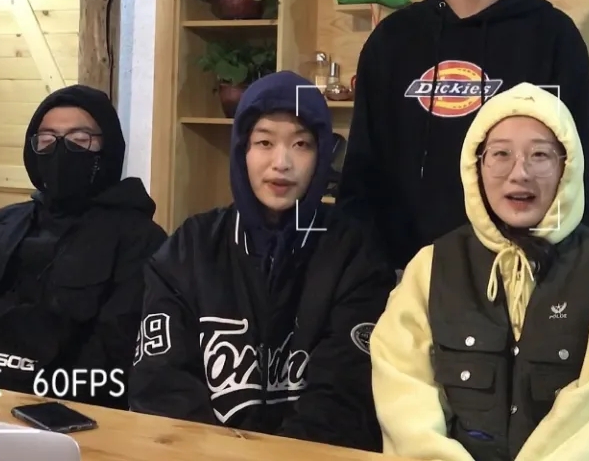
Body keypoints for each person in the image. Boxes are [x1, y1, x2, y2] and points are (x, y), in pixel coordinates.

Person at [338, 0, 589, 272]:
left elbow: (576, 175)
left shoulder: (554, 37)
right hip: (398, 273)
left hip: (514, 274)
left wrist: (574, 277)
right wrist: (355, 273)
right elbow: (361, 172)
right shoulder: (392, 40)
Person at [370, 82, 589, 461]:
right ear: (476, 166)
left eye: (540, 155)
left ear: (567, 168)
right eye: (500, 154)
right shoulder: (431, 266)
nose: (520, 173)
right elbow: (404, 395)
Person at [129, 71, 395, 451]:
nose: (281, 162)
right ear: (242, 149)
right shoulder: (191, 248)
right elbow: (160, 386)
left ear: (322, 155)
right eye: (264, 142)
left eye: (301, 144)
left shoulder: (354, 254)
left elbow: (344, 401)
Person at [0, 85, 167, 409]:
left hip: (66, 410)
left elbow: (118, 353)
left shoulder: (140, 240)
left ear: (107, 149)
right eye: (47, 140)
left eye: (79, 139)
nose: (61, 151)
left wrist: (22, 391)